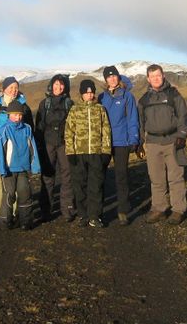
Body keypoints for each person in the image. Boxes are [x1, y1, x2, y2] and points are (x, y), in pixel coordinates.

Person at [137, 64, 187, 225]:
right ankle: (159, 208)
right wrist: (139, 142)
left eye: (158, 75)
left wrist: (182, 135)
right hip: (153, 143)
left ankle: (178, 210)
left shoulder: (174, 95)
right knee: (156, 178)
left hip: (173, 141)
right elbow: (139, 123)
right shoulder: (144, 100)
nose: (156, 79)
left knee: (175, 177)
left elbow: (184, 116)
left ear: (163, 76)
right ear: (148, 79)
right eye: (152, 76)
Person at [0, 76, 34, 223]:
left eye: (16, 87)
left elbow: (30, 130)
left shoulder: (24, 107)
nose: (13, 90)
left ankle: (14, 213)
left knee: (17, 184)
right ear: (4, 89)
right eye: (10, 87)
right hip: (0, 151)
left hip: (18, 154)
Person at [64, 79, 112, 228]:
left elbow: (106, 131)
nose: (90, 95)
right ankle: (83, 215)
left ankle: (95, 216)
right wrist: (70, 152)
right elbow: (68, 131)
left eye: (92, 92)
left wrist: (106, 151)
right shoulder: (75, 110)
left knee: (96, 185)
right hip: (79, 154)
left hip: (96, 153)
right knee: (80, 185)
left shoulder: (100, 109)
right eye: (87, 92)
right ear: (82, 94)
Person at [98, 66, 139, 226]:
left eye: (114, 76)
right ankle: (98, 211)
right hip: (104, 142)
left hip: (122, 141)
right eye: (109, 77)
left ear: (118, 77)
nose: (112, 79)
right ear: (106, 79)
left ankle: (123, 211)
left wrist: (134, 139)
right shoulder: (101, 97)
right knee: (99, 176)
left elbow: (132, 119)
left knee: (121, 176)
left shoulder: (128, 96)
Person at [0, 100, 41, 230]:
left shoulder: (27, 129)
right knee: (9, 195)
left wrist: (35, 166)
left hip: (23, 169)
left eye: (20, 114)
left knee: (25, 194)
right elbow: (0, 151)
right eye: (15, 114)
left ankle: (25, 221)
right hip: (9, 170)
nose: (18, 117)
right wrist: (2, 169)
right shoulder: (4, 130)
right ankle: (5, 221)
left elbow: (33, 148)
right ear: (9, 115)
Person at [35, 74, 75, 222]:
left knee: (67, 176)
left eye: (62, 84)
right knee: (47, 176)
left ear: (66, 87)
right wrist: (39, 146)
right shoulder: (44, 104)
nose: (58, 87)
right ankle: (46, 209)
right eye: (56, 84)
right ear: (51, 86)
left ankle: (67, 209)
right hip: (48, 143)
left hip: (65, 143)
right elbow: (39, 126)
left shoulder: (69, 104)